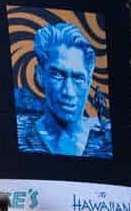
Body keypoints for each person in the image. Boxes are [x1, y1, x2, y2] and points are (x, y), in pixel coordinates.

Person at [17, 22, 111, 158]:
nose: (68, 91)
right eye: (58, 75)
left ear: (89, 81)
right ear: (40, 75)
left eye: (78, 78)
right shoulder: (20, 135)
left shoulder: (107, 139)